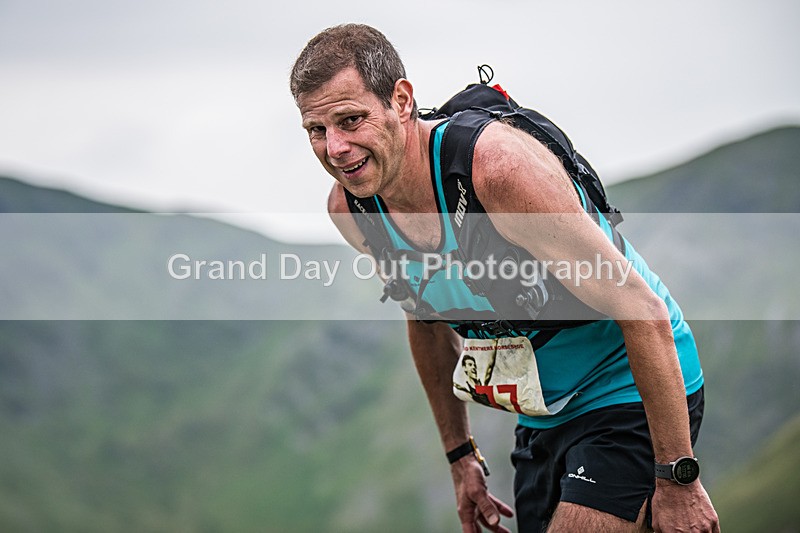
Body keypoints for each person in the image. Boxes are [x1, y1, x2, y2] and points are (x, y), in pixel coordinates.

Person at [289, 23, 720, 533]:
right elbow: (425, 322)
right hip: (542, 414)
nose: (334, 148)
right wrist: (460, 456)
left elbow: (641, 310)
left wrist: (678, 479)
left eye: (351, 120)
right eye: (317, 130)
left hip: (626, 390)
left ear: (401, 101)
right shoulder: (353, 211)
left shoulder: (497, 172)